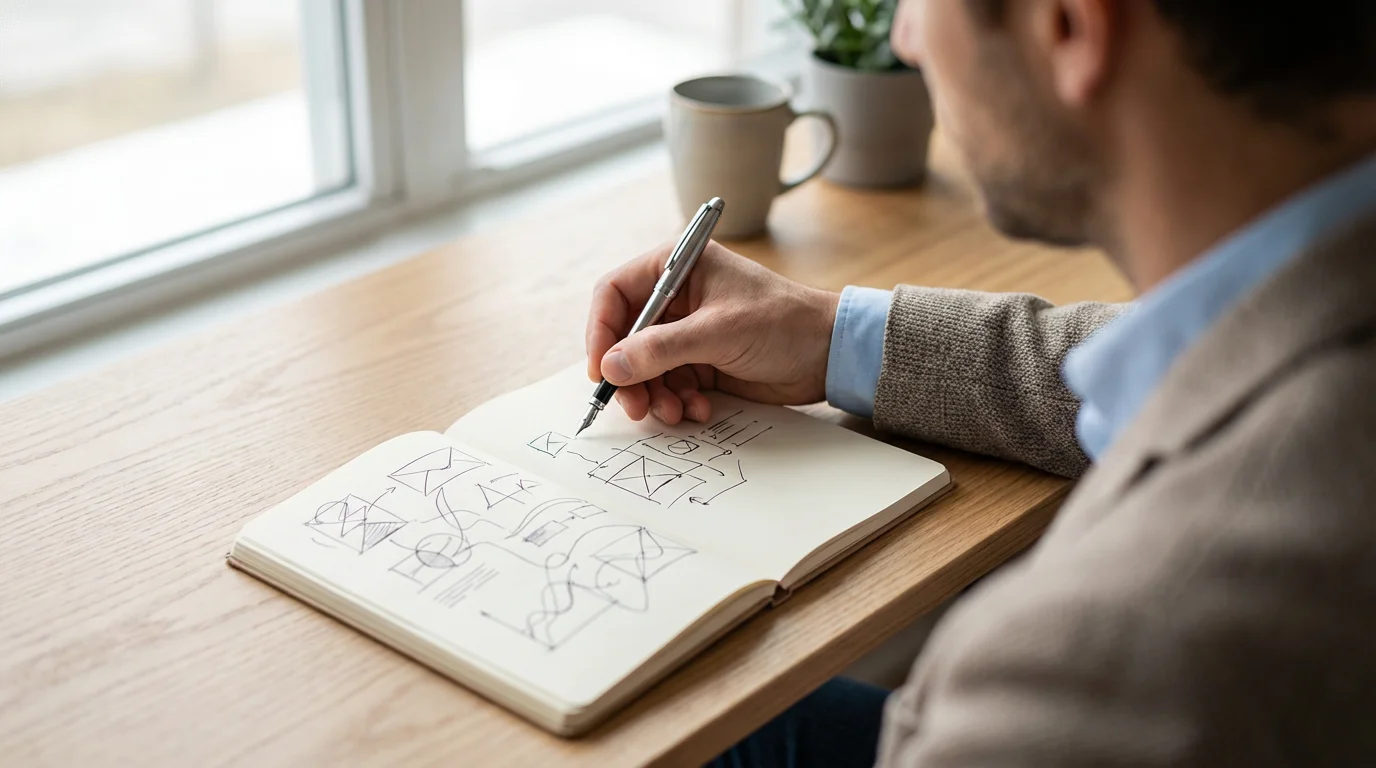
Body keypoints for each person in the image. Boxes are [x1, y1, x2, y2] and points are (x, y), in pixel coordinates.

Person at [587, 0, 1376, 765]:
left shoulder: (1108, 665)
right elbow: (1198, 353)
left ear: (1069, 25)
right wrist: (830, 337)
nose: (904, 38)